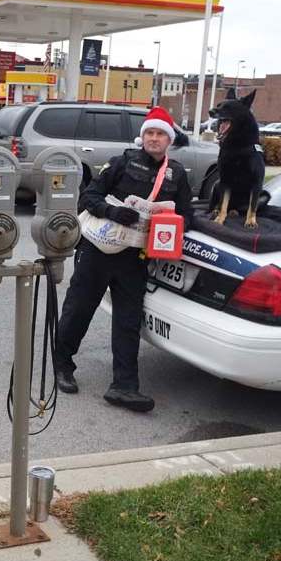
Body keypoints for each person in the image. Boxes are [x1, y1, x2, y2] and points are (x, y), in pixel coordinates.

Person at [53, 107, 192, 412]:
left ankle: (124, 387)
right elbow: (88, 197)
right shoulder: (121, 162)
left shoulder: (177, 174)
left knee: (128, 320)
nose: (154, 139)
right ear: (143, 137)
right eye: (150, 133)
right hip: (97, 251)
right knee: (80, 308)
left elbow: (186, 216)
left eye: (160, 135)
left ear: (169, 140)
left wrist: (168, 223)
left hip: (136, 257)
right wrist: (112, 211)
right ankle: (62, 365)